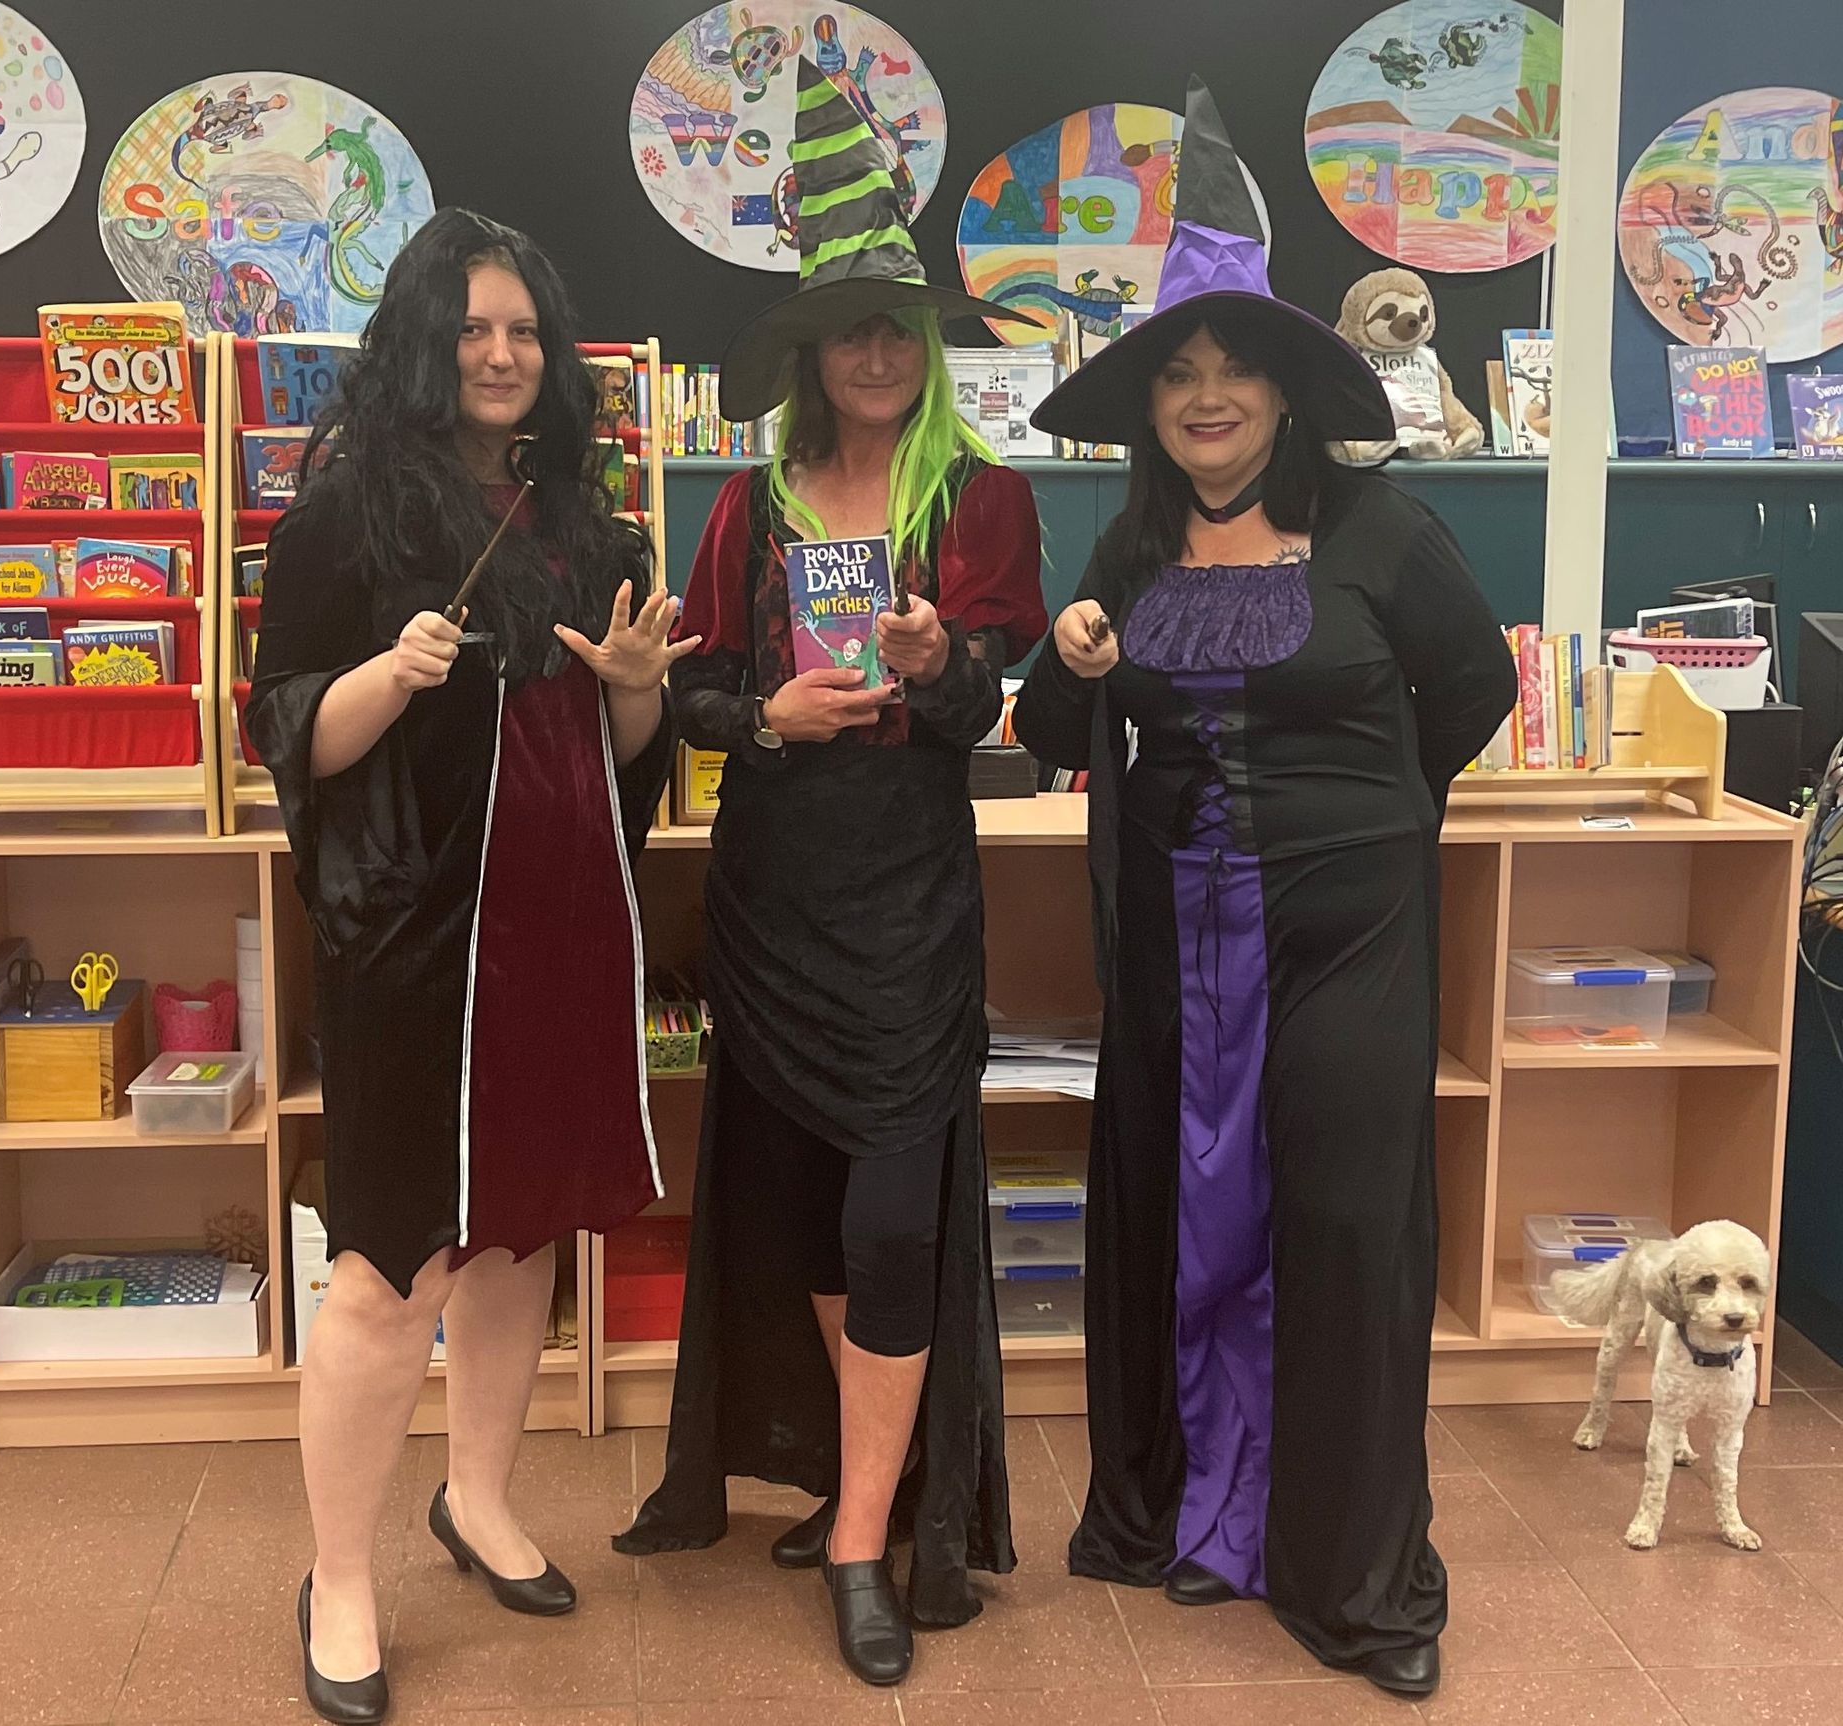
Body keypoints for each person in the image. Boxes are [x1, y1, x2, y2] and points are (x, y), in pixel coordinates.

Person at [1013, 80, 1517, 1700]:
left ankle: (1352, 1568)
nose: (1208, 396)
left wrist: (1369, 824)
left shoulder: (1381, 529)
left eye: (1235, 369)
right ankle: (1194, 1512)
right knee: (1181, 1215)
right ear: (1150, 401)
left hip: (1348, 939)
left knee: (1349, 1229)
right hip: (1177, 946)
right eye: (1180, 372)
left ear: (1289, 391)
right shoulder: (1128, 548)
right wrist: (1074, 661)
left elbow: (1474, 693)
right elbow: (1038, 729)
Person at [615, 62, 1047, 1688]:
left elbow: (990, 702)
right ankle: (861, 1478)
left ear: (923, 347)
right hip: (775, 898)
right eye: (846, 331)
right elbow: (711, 691)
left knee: (888, 1212)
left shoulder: (976, 499)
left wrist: (939, 664)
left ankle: (867, 1532)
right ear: (809, 353)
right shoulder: (749, 501)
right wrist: (769, 717)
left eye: (896, 328)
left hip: (910, 912)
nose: (874, 352)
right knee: (798, 1202)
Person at [245, 208, 685, 1726]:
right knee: (390, 1262)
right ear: (426, 341)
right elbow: (284, 730)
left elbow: (636, 761)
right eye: (472, 329)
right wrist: (386, 672)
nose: (501, 356)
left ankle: (481, 1499)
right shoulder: (347, 514)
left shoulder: (593, 520)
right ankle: (342, 1572)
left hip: (561, 931)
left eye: (525, 332)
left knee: (519, 1236)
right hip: (417, 948)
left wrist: (635, 697)